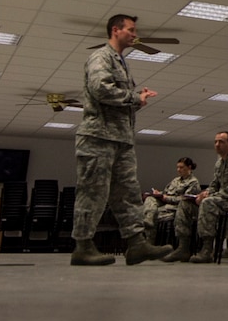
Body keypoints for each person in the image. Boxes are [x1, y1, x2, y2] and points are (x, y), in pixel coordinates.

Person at [70, 14, 169, 266]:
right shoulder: (100, 57)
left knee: (127, 192)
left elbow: (118, 101)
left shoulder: (121, 62)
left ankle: (137, 244)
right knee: (93, 192)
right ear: (116, 30)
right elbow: (101, 89)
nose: (135, 35)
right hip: (97, 138)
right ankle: (82, 246)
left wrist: (138, 99)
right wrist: (134, 98)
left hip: (121, 140)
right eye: (131, 30)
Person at [173, 130, 228, 263]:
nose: (217, 144)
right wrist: (205, 193)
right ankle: (183, 247)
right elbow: (214, 185)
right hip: (224, 198)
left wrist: (209, 197)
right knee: (185, 203)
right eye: (215, 142)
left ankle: (207, 249)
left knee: (208, 203)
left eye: (221, 142)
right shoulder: (219, 163)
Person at [145, 156, 200, 237]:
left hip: (176, 207)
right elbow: (166, 192)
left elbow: (185, 199)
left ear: (189, 167)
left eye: (181, 167)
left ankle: (151, 239)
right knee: (150, 199)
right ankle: (148, 219)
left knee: (156, 215)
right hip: (165, 203)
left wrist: (166, 198)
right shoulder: (175, 180)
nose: (178, 170)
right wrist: (158, 193)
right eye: (177, 167)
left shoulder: (193, 182)